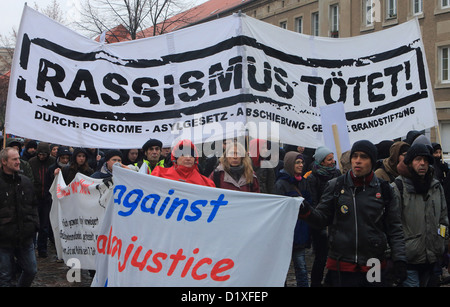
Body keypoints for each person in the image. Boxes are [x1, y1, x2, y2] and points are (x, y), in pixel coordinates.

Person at [299, 140, 407, 287]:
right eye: (355, 156)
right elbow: (321, 219)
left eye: (363, 157)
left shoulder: (384, 189)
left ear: (372, 161)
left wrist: (400, 259)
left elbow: (395, 228)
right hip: (342, 265)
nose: (358, 161)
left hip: (373, 264)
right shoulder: (336, 185)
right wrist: (306, 211)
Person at [393, 143, 449, 287]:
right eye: (418, 159)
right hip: (409, 258)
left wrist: (441, 240)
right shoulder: (398, 188)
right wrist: (397, 255)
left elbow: (443, 220)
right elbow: (393, 225)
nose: (422, 163)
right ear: (410, 162)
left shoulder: (436, 187)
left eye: (425, 160)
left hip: (432, 258)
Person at [0, 148, 39, 287]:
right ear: (4, 162)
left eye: (18, 158)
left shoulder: (25, 181)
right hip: (4, 239)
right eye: (14, 159)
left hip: (25, 236)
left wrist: (34, 225)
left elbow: (33, 205)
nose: (18, 162)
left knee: (31, 270)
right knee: (5, 277)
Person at [305, 145, 341, 287]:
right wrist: (319, 220)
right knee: (321, 256)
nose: (333, 161)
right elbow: (313, 201)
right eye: (329, 159)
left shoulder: (337, 174)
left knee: (336, 255)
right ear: (321, 162)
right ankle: (315, 282)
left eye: (333, 158)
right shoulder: (312, 178)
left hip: (336, 220)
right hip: (320, 220)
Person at [274, 151, 311, 287]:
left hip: (300, 230)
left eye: (302, 162)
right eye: (297, 162)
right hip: (286, 231)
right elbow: (279, 209)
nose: (301, 165)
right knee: (282, 267)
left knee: (301, 266)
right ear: (290, 164)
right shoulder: (281, 184)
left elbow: (309, 202)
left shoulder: (304, 182)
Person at [28, 142, 56, 258]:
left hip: (47, 196)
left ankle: (42, 249)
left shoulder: (52, 162)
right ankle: (32, 247)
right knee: (33, 224)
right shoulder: (32, 162)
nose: (42, 156)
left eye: (44, 154)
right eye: (40, 154)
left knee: (44, 225)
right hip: (34, 196)